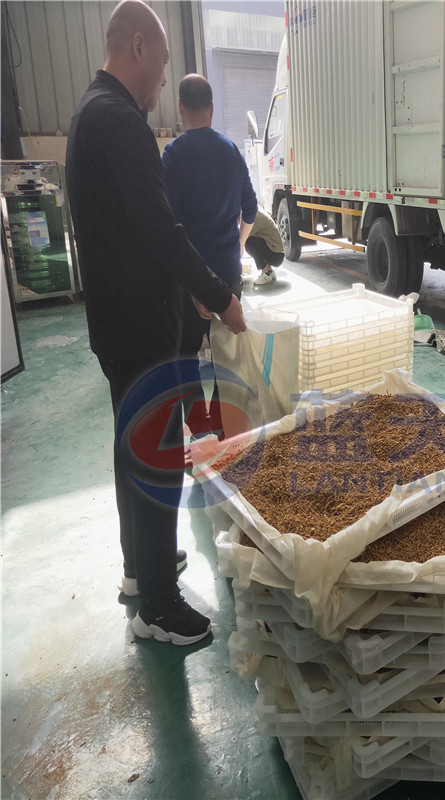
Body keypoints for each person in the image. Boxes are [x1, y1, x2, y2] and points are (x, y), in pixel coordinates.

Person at [66, 0, 246, 646]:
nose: (164, 78)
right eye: (163, 61)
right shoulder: (121, 122)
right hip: (142, 327)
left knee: (131, 449)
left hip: (118, 320)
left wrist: (184, 289)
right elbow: (161, 231)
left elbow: (133, 234)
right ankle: (160, 609)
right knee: (158, 458)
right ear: (137, 47)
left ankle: (140, 569)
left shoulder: (89, 113)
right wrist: (218, 296)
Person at [162, 74, 258, 440]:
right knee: (226, 350)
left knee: (187, 351)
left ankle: (197, 423)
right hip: (227, 274)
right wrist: (238, 244)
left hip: (190, 276)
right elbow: (250, 209)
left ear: (180, 107)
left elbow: (168, 224)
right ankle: (222, 425)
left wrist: (191, 284)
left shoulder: (173, 155)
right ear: (213, 108)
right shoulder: (231, 151)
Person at [245, 207, 285, 285]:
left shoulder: (254, 216)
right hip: (277, 254)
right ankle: (270, 271)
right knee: (252, 241)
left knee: (249, 243)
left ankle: (266, 274)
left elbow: (243, 238)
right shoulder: (256, 211)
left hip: (276, 256)